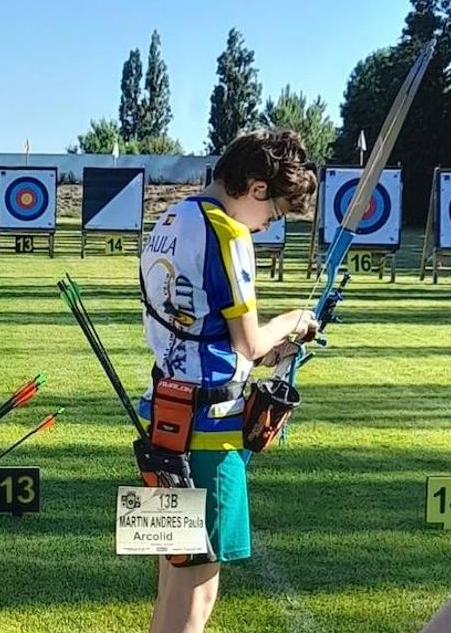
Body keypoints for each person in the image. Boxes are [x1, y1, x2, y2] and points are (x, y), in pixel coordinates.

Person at [138, 129, 320, 633]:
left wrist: (261, 347)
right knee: (198, 590)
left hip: (164, 416)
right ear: (257, 188)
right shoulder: (228, 232)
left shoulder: (172, 217)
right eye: (275, 214)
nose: (265, 228)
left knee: (172, 582)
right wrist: (296, 320)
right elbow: (249, 345)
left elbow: (202, 329)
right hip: (208, 433)